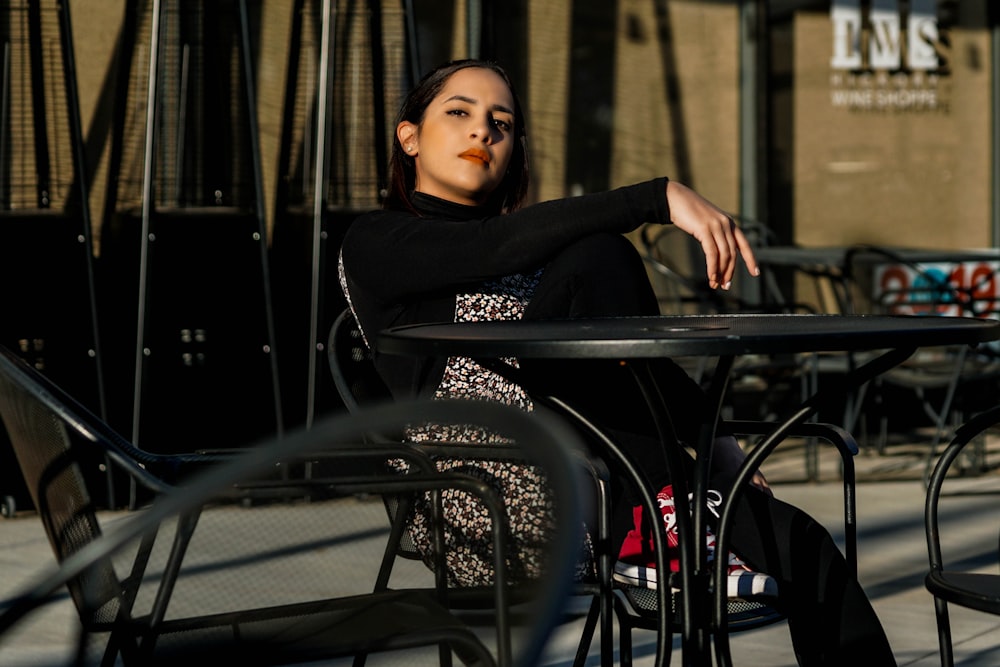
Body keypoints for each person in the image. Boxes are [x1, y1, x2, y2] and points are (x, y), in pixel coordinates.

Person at [338, 58, 896, 665]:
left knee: (801, 545)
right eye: (458, 113)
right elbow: (486, 247)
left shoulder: (543, 259)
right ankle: (666, 521)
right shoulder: (376, 242)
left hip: (613, 478)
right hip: (483, 499)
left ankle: (669, 520)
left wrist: (720, 445)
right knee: (597, 253)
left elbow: (631, 365)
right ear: (409, 136)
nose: (483, 132)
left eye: (501, 122)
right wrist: (656, 198)